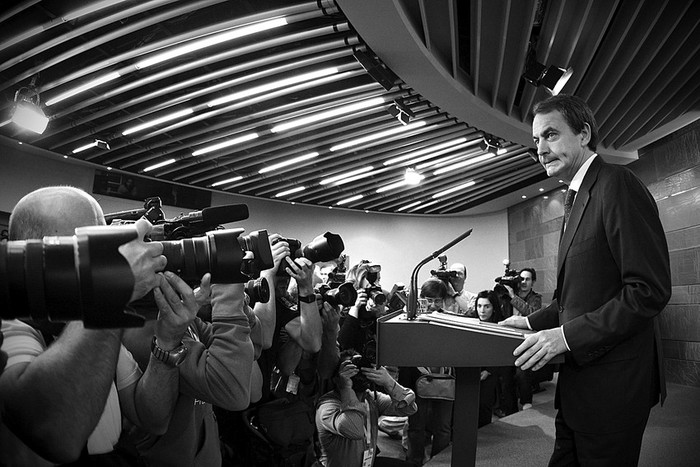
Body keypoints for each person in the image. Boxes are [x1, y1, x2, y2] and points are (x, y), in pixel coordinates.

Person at [500, 94, 671, 466]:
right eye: (536, 141)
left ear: (583, 134)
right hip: (580, 386)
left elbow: (648, 291)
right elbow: (575, 297)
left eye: (550, 135)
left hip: (613, 387)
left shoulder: (617, 185)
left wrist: (565, 336)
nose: (541, 149)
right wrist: (529, 321)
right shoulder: (576, 196)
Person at [0, 186, 187, 465]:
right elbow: (56, 434)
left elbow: (151, 417)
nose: (105, 258)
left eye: (103, 244)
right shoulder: (9, 324)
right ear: (33, 253)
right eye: (88, 247)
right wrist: (110, 287)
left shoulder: (87, 316)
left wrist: (167, 342)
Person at [315, 349, 417, 467]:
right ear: (336, 378)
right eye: (350, 371)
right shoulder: (327, 406)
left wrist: (388, 382)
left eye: (360, 370)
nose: (358, 374)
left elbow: (409, 408)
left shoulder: (370, 398)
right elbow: (355, 430)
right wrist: (346, 389)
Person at [398, 278, 453, 466]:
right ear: (420, 299)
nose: (433, 305)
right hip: (417, 380)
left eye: (438, 300)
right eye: (428, 300)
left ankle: (440, 462)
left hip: (445, 380)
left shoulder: (451, 321)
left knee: (443, 428)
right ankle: (414, 461)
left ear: (444, 301)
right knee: (416, 426)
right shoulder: (411, 320)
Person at [503, 268, 547, 409]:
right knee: (506, 374)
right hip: (507, 337)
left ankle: (526, 402)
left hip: (526, 339)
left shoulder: (536, 298)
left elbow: (532, 314)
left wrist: (512, 297)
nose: (523, 282)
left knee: (522, 372)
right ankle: (509, 407)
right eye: (521, 279)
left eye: (527, 279)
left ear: (533, 282)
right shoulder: (508, 295)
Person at [474, 290, 509, 427]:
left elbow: (501, 352)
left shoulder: (501, 325)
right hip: (470, 367)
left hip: (490, 370)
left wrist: (488, 371)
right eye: (479, 306)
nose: (482, 310)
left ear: (494, 308)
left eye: (486, 306)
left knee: (484, 403)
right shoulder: (469, 320)